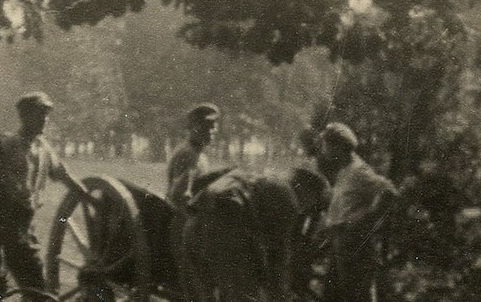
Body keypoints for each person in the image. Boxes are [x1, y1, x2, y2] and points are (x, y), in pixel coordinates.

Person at [183, 167, 330, 302]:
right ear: (307, 190)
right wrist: (279, 296)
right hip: (224, 232)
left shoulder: (256, 175)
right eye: (313, 203)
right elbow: (277, 257)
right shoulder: (287, 196)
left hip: (193, 225)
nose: (306, 210)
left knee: (207, 295)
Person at [0, 92, 89, 301]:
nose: (45, 120)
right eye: (39, 115)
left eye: (46, 115)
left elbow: (62, 174)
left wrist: (86, 194)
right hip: (7, 222)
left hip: (26, 224)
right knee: (34, 284)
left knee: (26, 284)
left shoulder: (43, 148)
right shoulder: (9, 145)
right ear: (25, 116)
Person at [318, 122, 396, 302]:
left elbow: (389, 192)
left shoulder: (359, 171)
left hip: (354, 245)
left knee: (357, 296)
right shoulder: (345, 171)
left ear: (339, 147)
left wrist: (365, 220)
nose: (324, 150)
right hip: (340, 243)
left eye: (327, 145)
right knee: (332, 295)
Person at [166, 103, 220, 206]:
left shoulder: (198, 154)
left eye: (213, 126)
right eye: (206, 126)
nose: (212, 130)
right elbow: (178, 197)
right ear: (193, 127)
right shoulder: (188, 154)